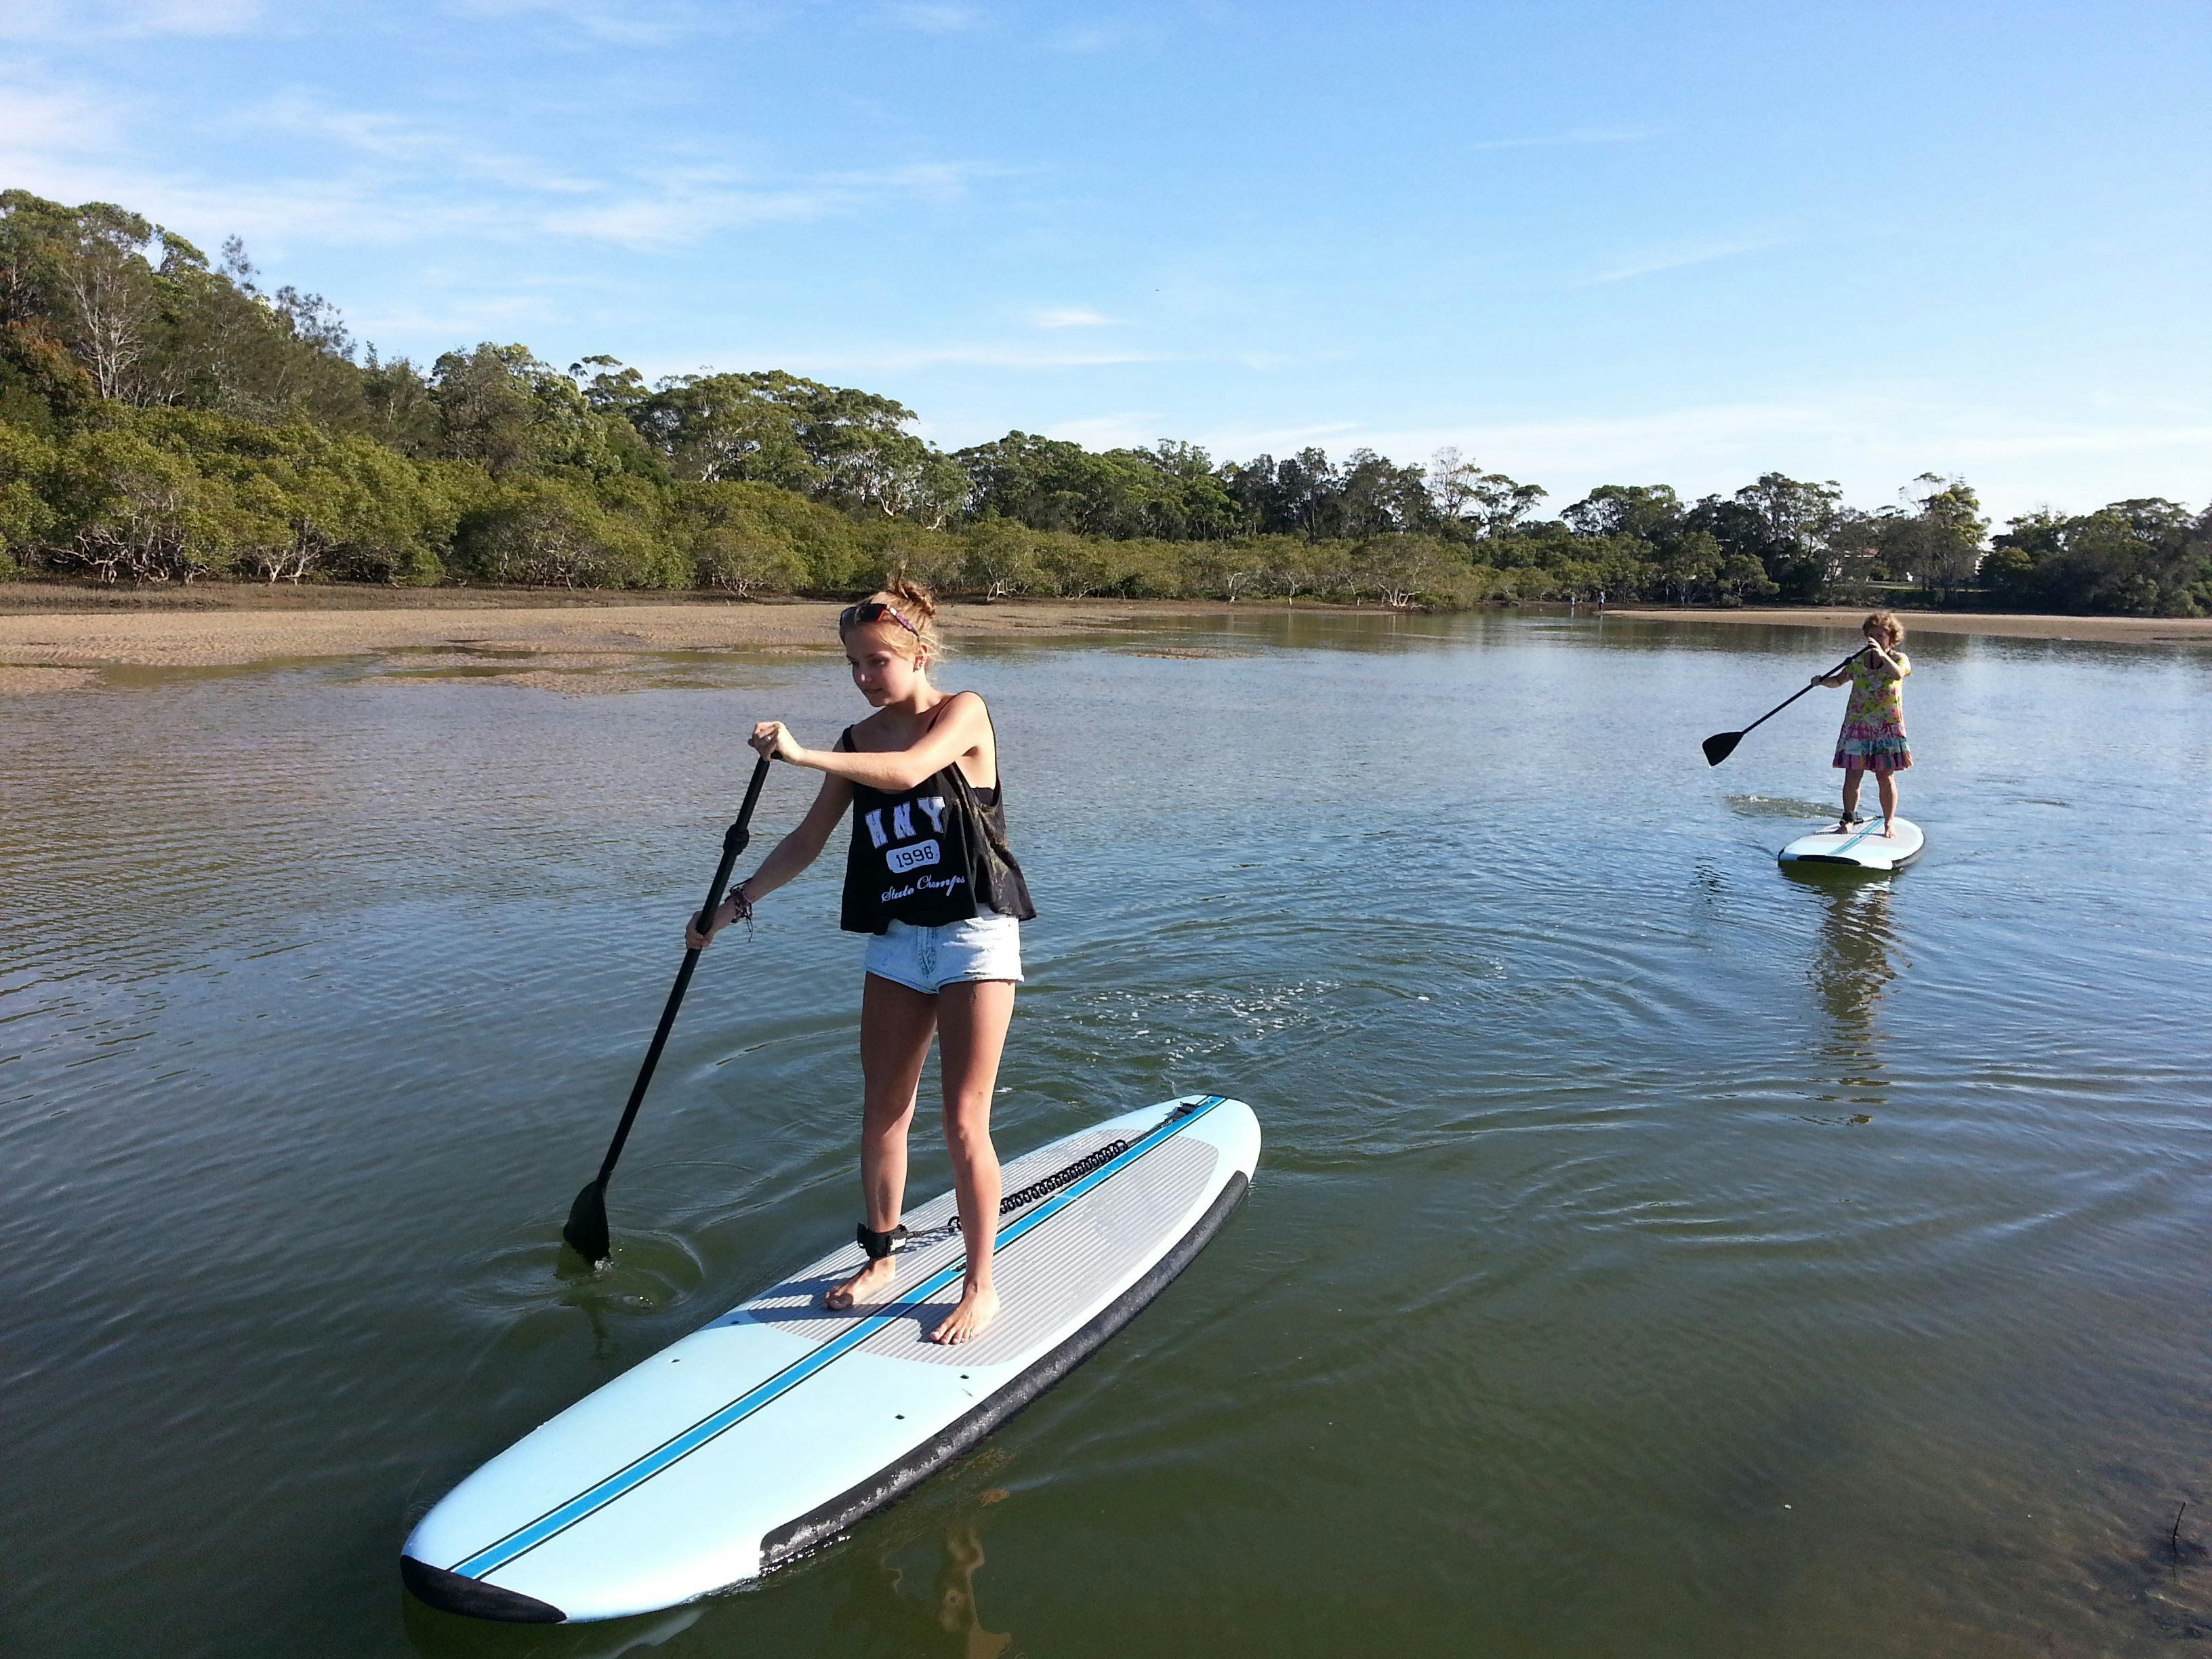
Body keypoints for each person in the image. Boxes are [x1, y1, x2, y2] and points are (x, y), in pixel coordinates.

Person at [687, 582, 1036, 1345]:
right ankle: (882, 1257)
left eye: (879, 661)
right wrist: (733, 905)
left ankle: (981, 1287)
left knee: (962, 1121)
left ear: (918, 653)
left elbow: (911, 772)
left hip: (975, 935)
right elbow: (807, 841)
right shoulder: (853, 742)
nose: (866, 677)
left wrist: (800, 752)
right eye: (854, 664)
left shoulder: (964, 712)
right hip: (899, 941)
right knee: (883, 1111)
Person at [1813, 611, 1912, 836]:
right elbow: (1839, 680)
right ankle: (1848, 819)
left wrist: (1881, 655)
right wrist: (1821, 682)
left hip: (1887, 728)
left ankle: (1889, 823)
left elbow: (1897, 675)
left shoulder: (1899, 659)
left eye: (1881, 636)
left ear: (1892, 638)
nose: (1876, 639)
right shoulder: (1857, 661)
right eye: (1872, 635)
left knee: (1884, 776)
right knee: (1852, 775)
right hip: (1857, 727)